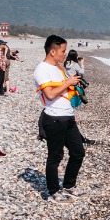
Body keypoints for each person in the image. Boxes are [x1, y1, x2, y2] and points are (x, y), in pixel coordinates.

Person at [34, 34, 85, 199]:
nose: (65, 54)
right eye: (62, 51)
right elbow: (49, 94)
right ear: (52, 52)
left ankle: (69, 185)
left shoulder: (58, 67)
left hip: (68, 117)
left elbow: (62, 89)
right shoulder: (41, 69)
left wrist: (71, 84)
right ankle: (53, 191)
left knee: (78, 152)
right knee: (55, 156)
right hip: (54, 119)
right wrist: (67, 83)